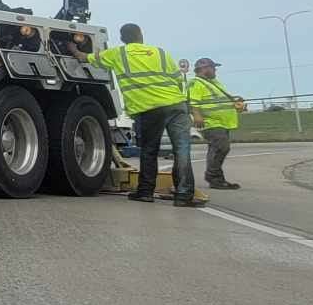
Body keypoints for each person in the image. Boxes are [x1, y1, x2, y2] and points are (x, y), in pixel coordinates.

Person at [80, 24, 197, 207]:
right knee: (182, 151)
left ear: (122, 38)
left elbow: (86, 58)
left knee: (150, 151)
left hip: (149, 108)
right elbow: (176, 78)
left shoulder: (118, 53)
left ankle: (145, 192)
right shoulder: (160, 52)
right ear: (141, 35)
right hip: (176, 105)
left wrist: (72, 49)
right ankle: (183, 196)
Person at [188, 58, 247, 190]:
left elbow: (220, 101)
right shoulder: (196, 83)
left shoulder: (214, 83)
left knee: (218, 148)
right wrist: (196, 115)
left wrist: (236, 105)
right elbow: (193, 101)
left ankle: (216, 178)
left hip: (222, 123)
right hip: (211, 122)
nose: (215, 70)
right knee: (221, 147)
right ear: (203, 69)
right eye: (213, 67)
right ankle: (214, 177)